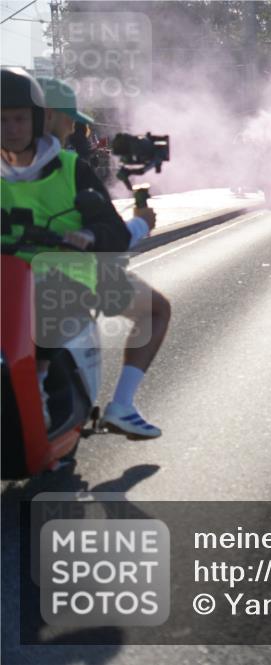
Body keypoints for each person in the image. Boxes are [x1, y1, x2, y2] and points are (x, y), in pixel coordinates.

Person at [2, 67, 167, 439]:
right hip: (42, 278)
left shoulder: (71, 166)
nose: (74, 130)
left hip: (62, 275)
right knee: (154, 309)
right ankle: (119, 404)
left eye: (17, 119)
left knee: (147, 305)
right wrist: (135, 225)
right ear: (49, 116)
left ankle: (50, 388)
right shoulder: (67, 163)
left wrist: (92, 235)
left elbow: (109, 230)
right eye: (69, 121)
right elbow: (118, 236)